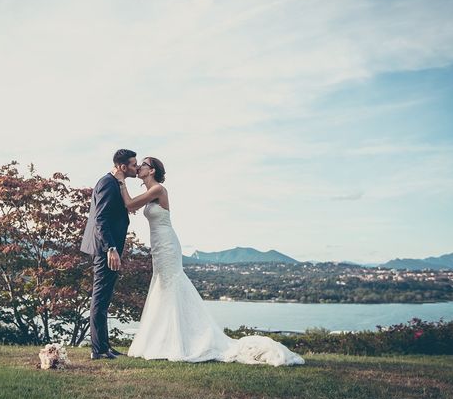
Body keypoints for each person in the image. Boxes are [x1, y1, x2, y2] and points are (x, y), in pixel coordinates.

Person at [114, 157, 305, 366]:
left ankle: (176, 341)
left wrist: (121, 180)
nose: (139, 167)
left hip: (168, 245)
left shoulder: (159, 190)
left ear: (151, 171)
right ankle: (161, 340)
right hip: (158, 246)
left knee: (170, 286)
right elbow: (132, 205)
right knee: (162, 287)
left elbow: (130, 204)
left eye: (143, 164)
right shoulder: (151, 193)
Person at [80, 149, 139, 360]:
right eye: (133, 164)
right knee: (99, 298)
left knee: (104, 299)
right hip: (105, 250)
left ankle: (104, 346)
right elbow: (101, 219)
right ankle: (98, 350)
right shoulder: (107, 183)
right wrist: (111, 249)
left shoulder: (115, 183)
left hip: (108, 248)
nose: (136, 167)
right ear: (123, 167)